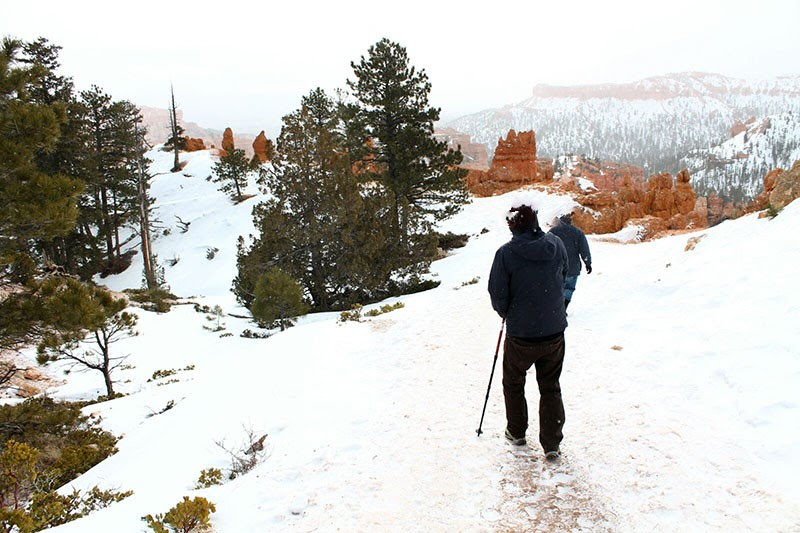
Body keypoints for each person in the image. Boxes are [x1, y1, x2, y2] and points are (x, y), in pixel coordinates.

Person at [488, 204, 568, 462]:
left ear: (513, 224)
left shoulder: (505, 254)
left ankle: (517, 431)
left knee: (513, 382)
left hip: (521, 334)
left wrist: (506, 312)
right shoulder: (556, 245)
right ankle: (552, 442)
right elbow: (563, 276)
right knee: (550, 385)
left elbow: (498, 293)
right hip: (554, 330)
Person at [548, 213, 592, 309]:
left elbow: (546, 248)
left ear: (560, 221)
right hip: (572, 267)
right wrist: (588, 263)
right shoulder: (578, 232)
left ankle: (557, 309)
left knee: (557, 289)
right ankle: (564, 307)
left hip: (556, 267)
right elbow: (584, 249)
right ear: (570, 221)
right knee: (569, 288)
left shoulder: (553, 232)